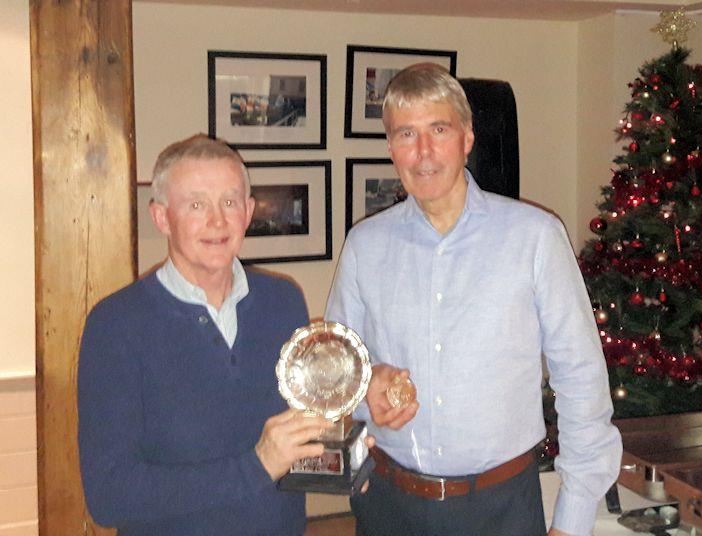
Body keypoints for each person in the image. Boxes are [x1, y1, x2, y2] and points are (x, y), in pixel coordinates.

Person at [325, 64, 622, 536]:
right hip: (387, 505)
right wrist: (365, 389)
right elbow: (336, 369)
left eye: (438, 130)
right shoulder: (365, 245)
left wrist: (575, 515)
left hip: (501, 509)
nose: (423, 152)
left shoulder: (536, 238)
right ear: (390, 148)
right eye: (406, 133)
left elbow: (582, 379)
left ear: (466, 137)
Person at [78, 134, 332, 535]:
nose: (218, 220)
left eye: (230, 202)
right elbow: (109, 496)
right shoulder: (116, 325)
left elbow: (289, 450)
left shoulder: (283, 302)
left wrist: (342, 465)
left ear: (248, 212)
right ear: (161, 217)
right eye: (196, 204)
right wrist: (255, 465)